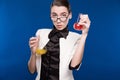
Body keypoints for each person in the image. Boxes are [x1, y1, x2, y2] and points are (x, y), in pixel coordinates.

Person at [28, 0, 91, 80]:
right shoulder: (40, 33)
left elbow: (74, 65)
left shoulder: (77, 38)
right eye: (54, 15)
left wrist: (84, 34)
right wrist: (33, 53)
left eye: (63, 15)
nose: (58, 20)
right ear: (50, 15)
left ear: (70, 15)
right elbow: (32, 70)